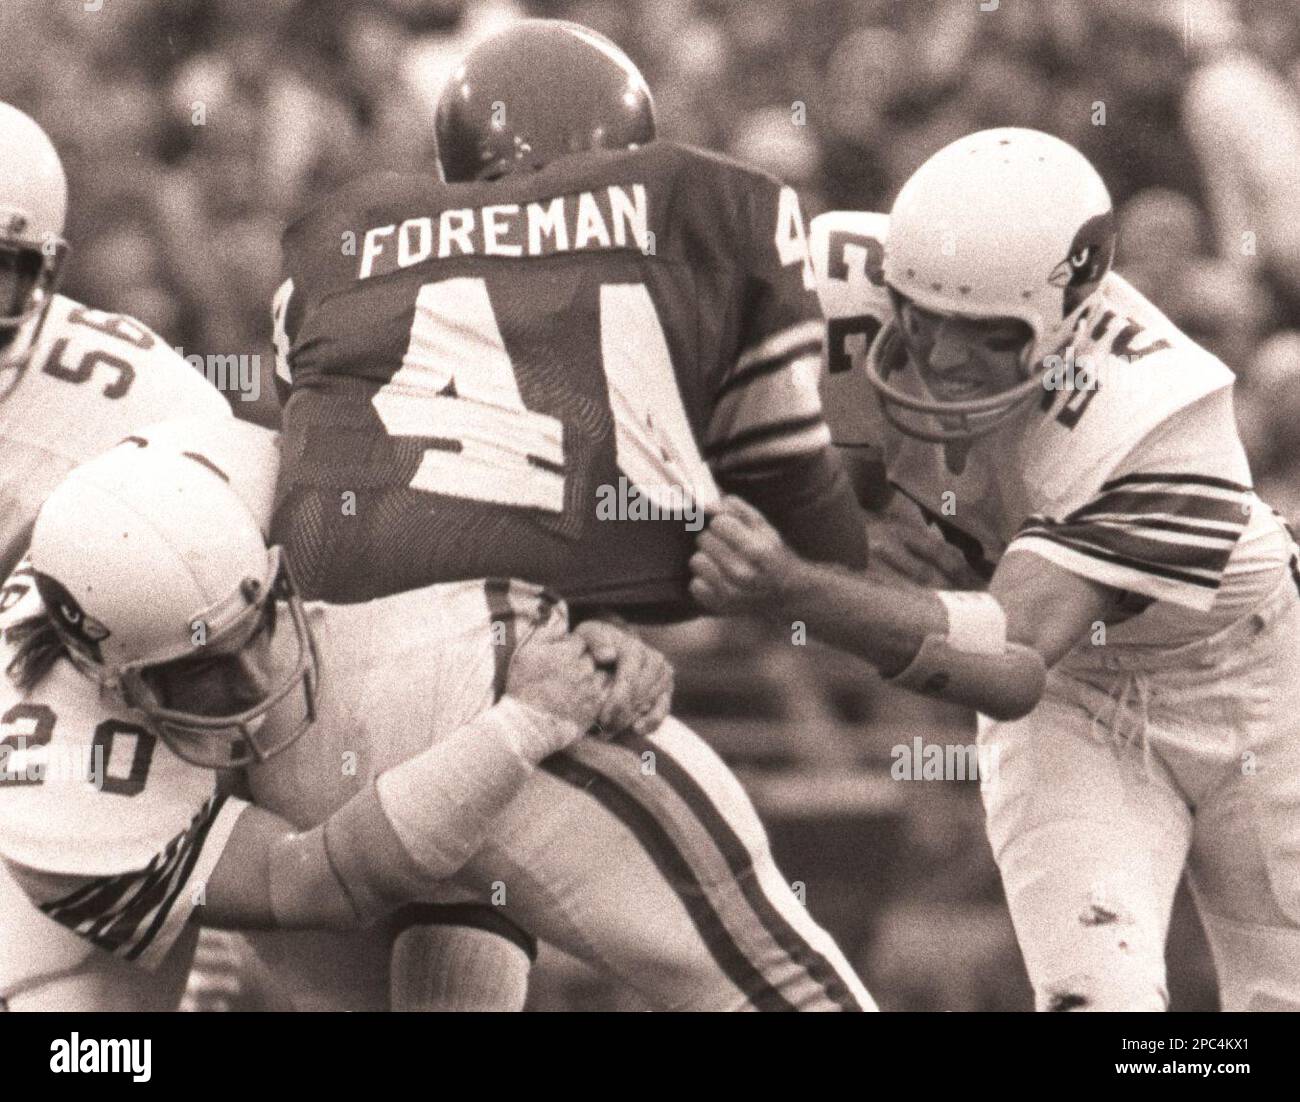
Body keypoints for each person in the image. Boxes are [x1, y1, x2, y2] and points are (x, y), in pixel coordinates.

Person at [264, 18, 873, 1011]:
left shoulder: (333, 258)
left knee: (459, 928)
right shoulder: (648, 262)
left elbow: (401, 469)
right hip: (481, 671)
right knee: (787, 981)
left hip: (298, 705)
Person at [692, 127, 1300, 1012]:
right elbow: (669, 425)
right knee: (1093, 1004)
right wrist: (846, 532)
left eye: (981, 334)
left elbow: (1007, 659)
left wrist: (797, 587)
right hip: (1076, 700)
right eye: (918, 314)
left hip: (1248, 684)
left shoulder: (1165, 423)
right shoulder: (830, 280)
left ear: (1069, 315)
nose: (937, 356)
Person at [0, 419, 647, 1011]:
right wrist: (524, 723)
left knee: (435, 737)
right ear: (110, 681)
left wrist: (590, 628)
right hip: (86, 908)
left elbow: (505, 536)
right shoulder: (53, 798)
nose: (258, 681)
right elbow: (315, 882)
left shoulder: (264, 473)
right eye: (203, 669)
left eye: (254, 629)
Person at [0, 100, 234, 1011]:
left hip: (69, 738)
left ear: (46, 273)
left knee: (68, 1029)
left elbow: (230, 591)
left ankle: (197, 922)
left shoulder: (134, 394)